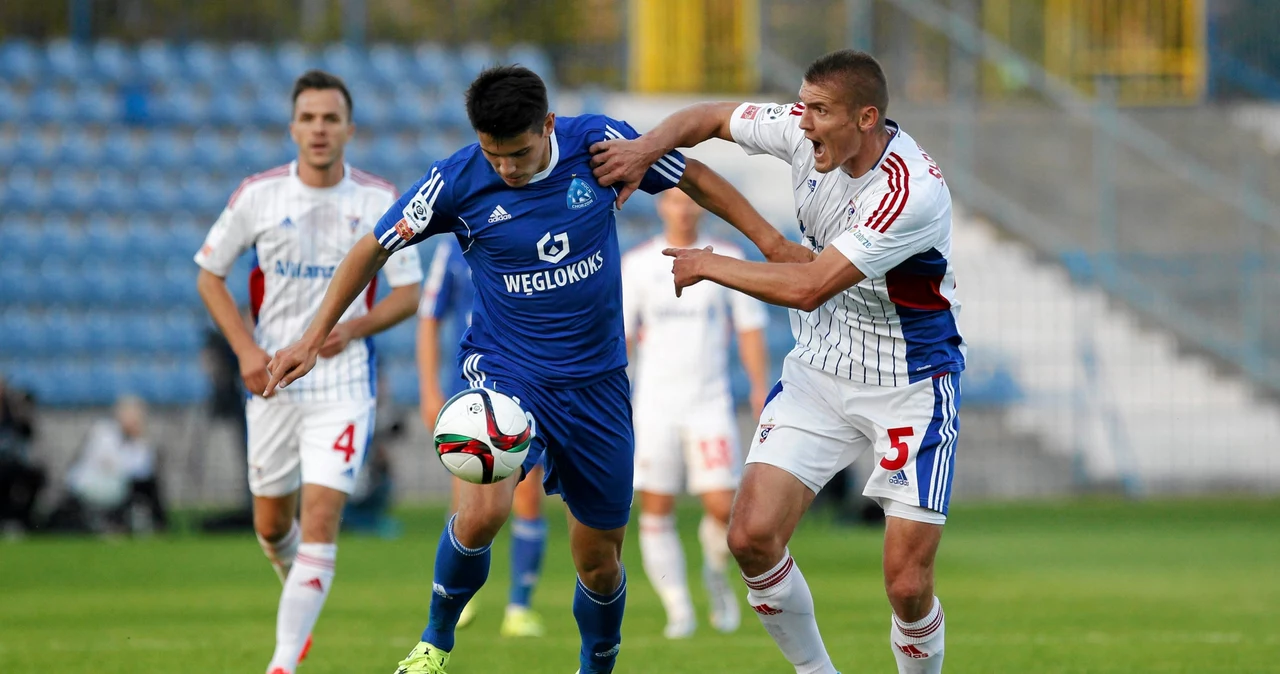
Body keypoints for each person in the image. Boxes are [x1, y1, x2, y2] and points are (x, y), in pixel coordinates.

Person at [261, 65, 778, 674]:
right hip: (506, 373)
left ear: (548, 126)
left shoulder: (600, 145)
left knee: (598, 561)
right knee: (483, 511)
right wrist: (311, 336)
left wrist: (772, 243)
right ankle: (434, 642)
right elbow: (374, 246)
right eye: (493, 154)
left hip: (597, 386)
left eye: (519, 153)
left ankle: (595, 665)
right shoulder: (456, 181)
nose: (505, 167)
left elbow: (692, 176)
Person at [592, 49, 964, 674]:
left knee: (905, 584)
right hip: (819, 369)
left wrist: (712, 262)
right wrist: (645, 148)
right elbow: (710, 117)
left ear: (866, 118)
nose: (805, 122)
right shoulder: (802, 130)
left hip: (910, 384)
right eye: (803, 106)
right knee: (749, 538)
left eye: (820, 111)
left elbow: (811, 285)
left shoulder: (910, 192)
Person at [194, 70, 423, 674]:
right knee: (272, 527)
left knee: (320, 516)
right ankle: (299, 602)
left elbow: (408, 293)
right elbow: (209, 275)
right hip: (272, 377)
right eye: (309, 118)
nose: (320, 129)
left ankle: (282, 662)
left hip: (344, 382)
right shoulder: (259, 195)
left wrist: (352, 328)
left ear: (349, 128)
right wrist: (245, 350)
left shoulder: (378, 200)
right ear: (293, 127)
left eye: (331, 118)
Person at [620, 188, 770, 639]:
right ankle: (678, 607)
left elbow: (749, 327)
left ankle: (715, 576)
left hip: (709, 402)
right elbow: (623, 338)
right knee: (655, 507)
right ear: (661, 207)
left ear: (700, 206)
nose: (682, 208)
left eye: (689, 201)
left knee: (724, 507)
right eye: (673, 201)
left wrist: (760, 386)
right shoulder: (640, 265)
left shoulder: (726, 258)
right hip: (655, 406)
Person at [416, 238, 548, 638]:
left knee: (526, 492)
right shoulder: (452, 247)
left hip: (528, 385)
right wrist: (428, 390)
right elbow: (429, 315)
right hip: (472, 390)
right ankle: (461, 593)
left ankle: (519, 606)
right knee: (469, 496)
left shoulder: (531, 234)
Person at [51, 395, 167, 534]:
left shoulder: (137, 441)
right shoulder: (104, 432)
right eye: (133, 417)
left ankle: (157, 523)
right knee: (138, 485)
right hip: (92, 483)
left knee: (147, 483)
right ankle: (151, 523)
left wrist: (139, 442)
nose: (136, 421)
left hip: (116, 483)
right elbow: (116, 466)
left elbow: (144, 469)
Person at [0, 376, 44, 536]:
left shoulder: (12, 411)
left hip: (13, 461)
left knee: (36, 475)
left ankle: (20, 520)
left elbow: (28, 433)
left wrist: (20, 410)